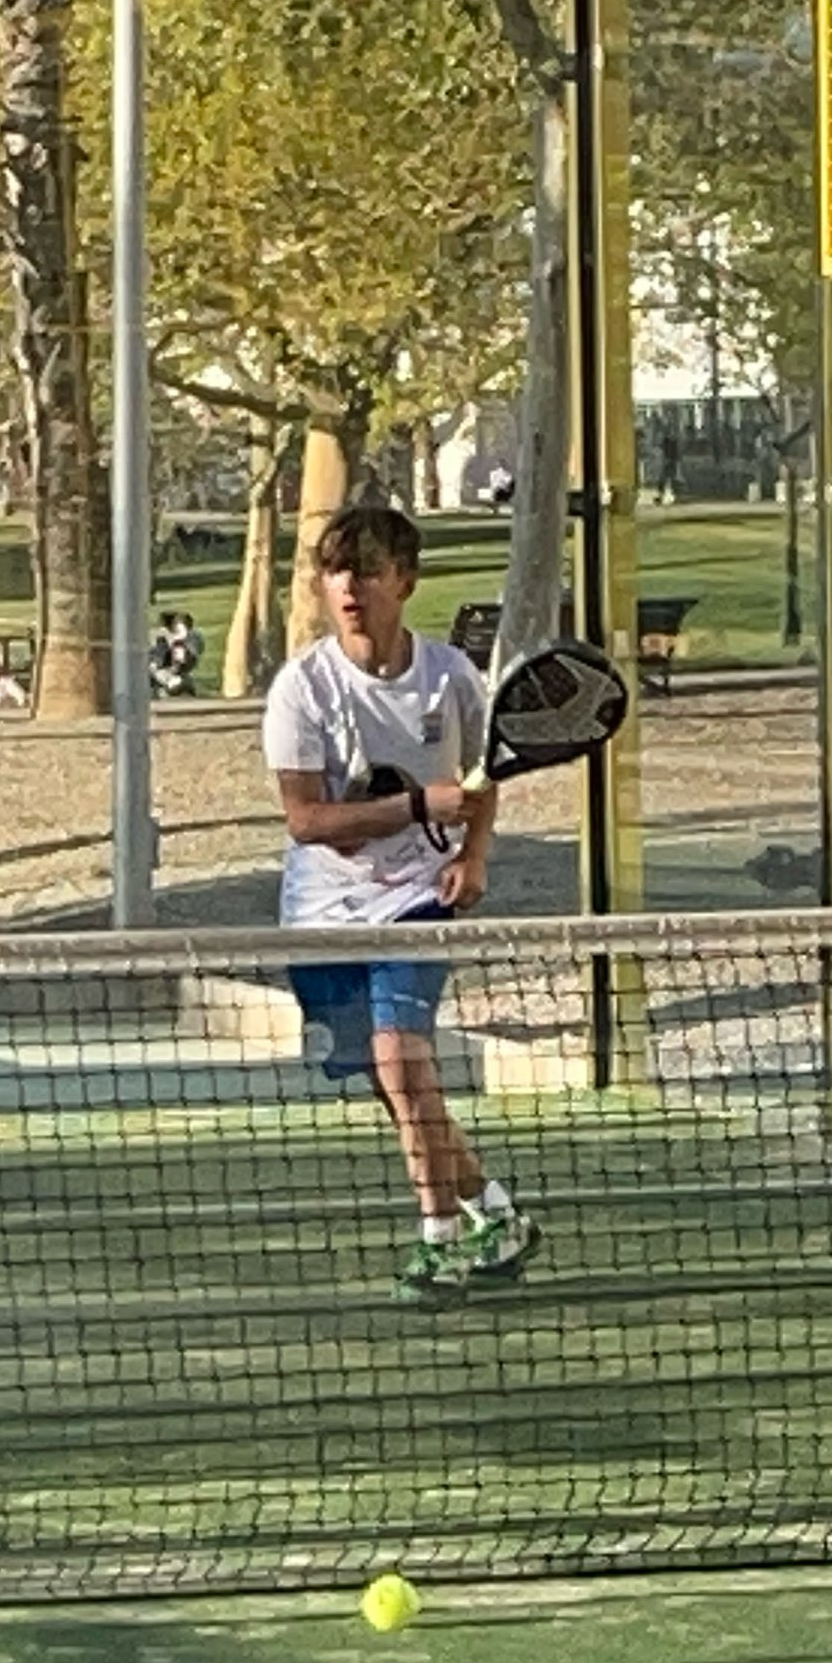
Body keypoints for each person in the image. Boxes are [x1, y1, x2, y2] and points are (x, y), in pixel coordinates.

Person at [262, 498, 539, 1307]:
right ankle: (496, 1214)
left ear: (405, 581)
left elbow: (481, 783)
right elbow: (306, 820)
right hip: (322, 915)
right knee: (399, 1087)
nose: (349, 588)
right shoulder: (302, 688)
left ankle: (439, 1245)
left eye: (368, 572)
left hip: (419, 900)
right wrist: (420, 805)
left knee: (401, 1061)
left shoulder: (451, 677)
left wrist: (475, 857)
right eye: (335, 571)